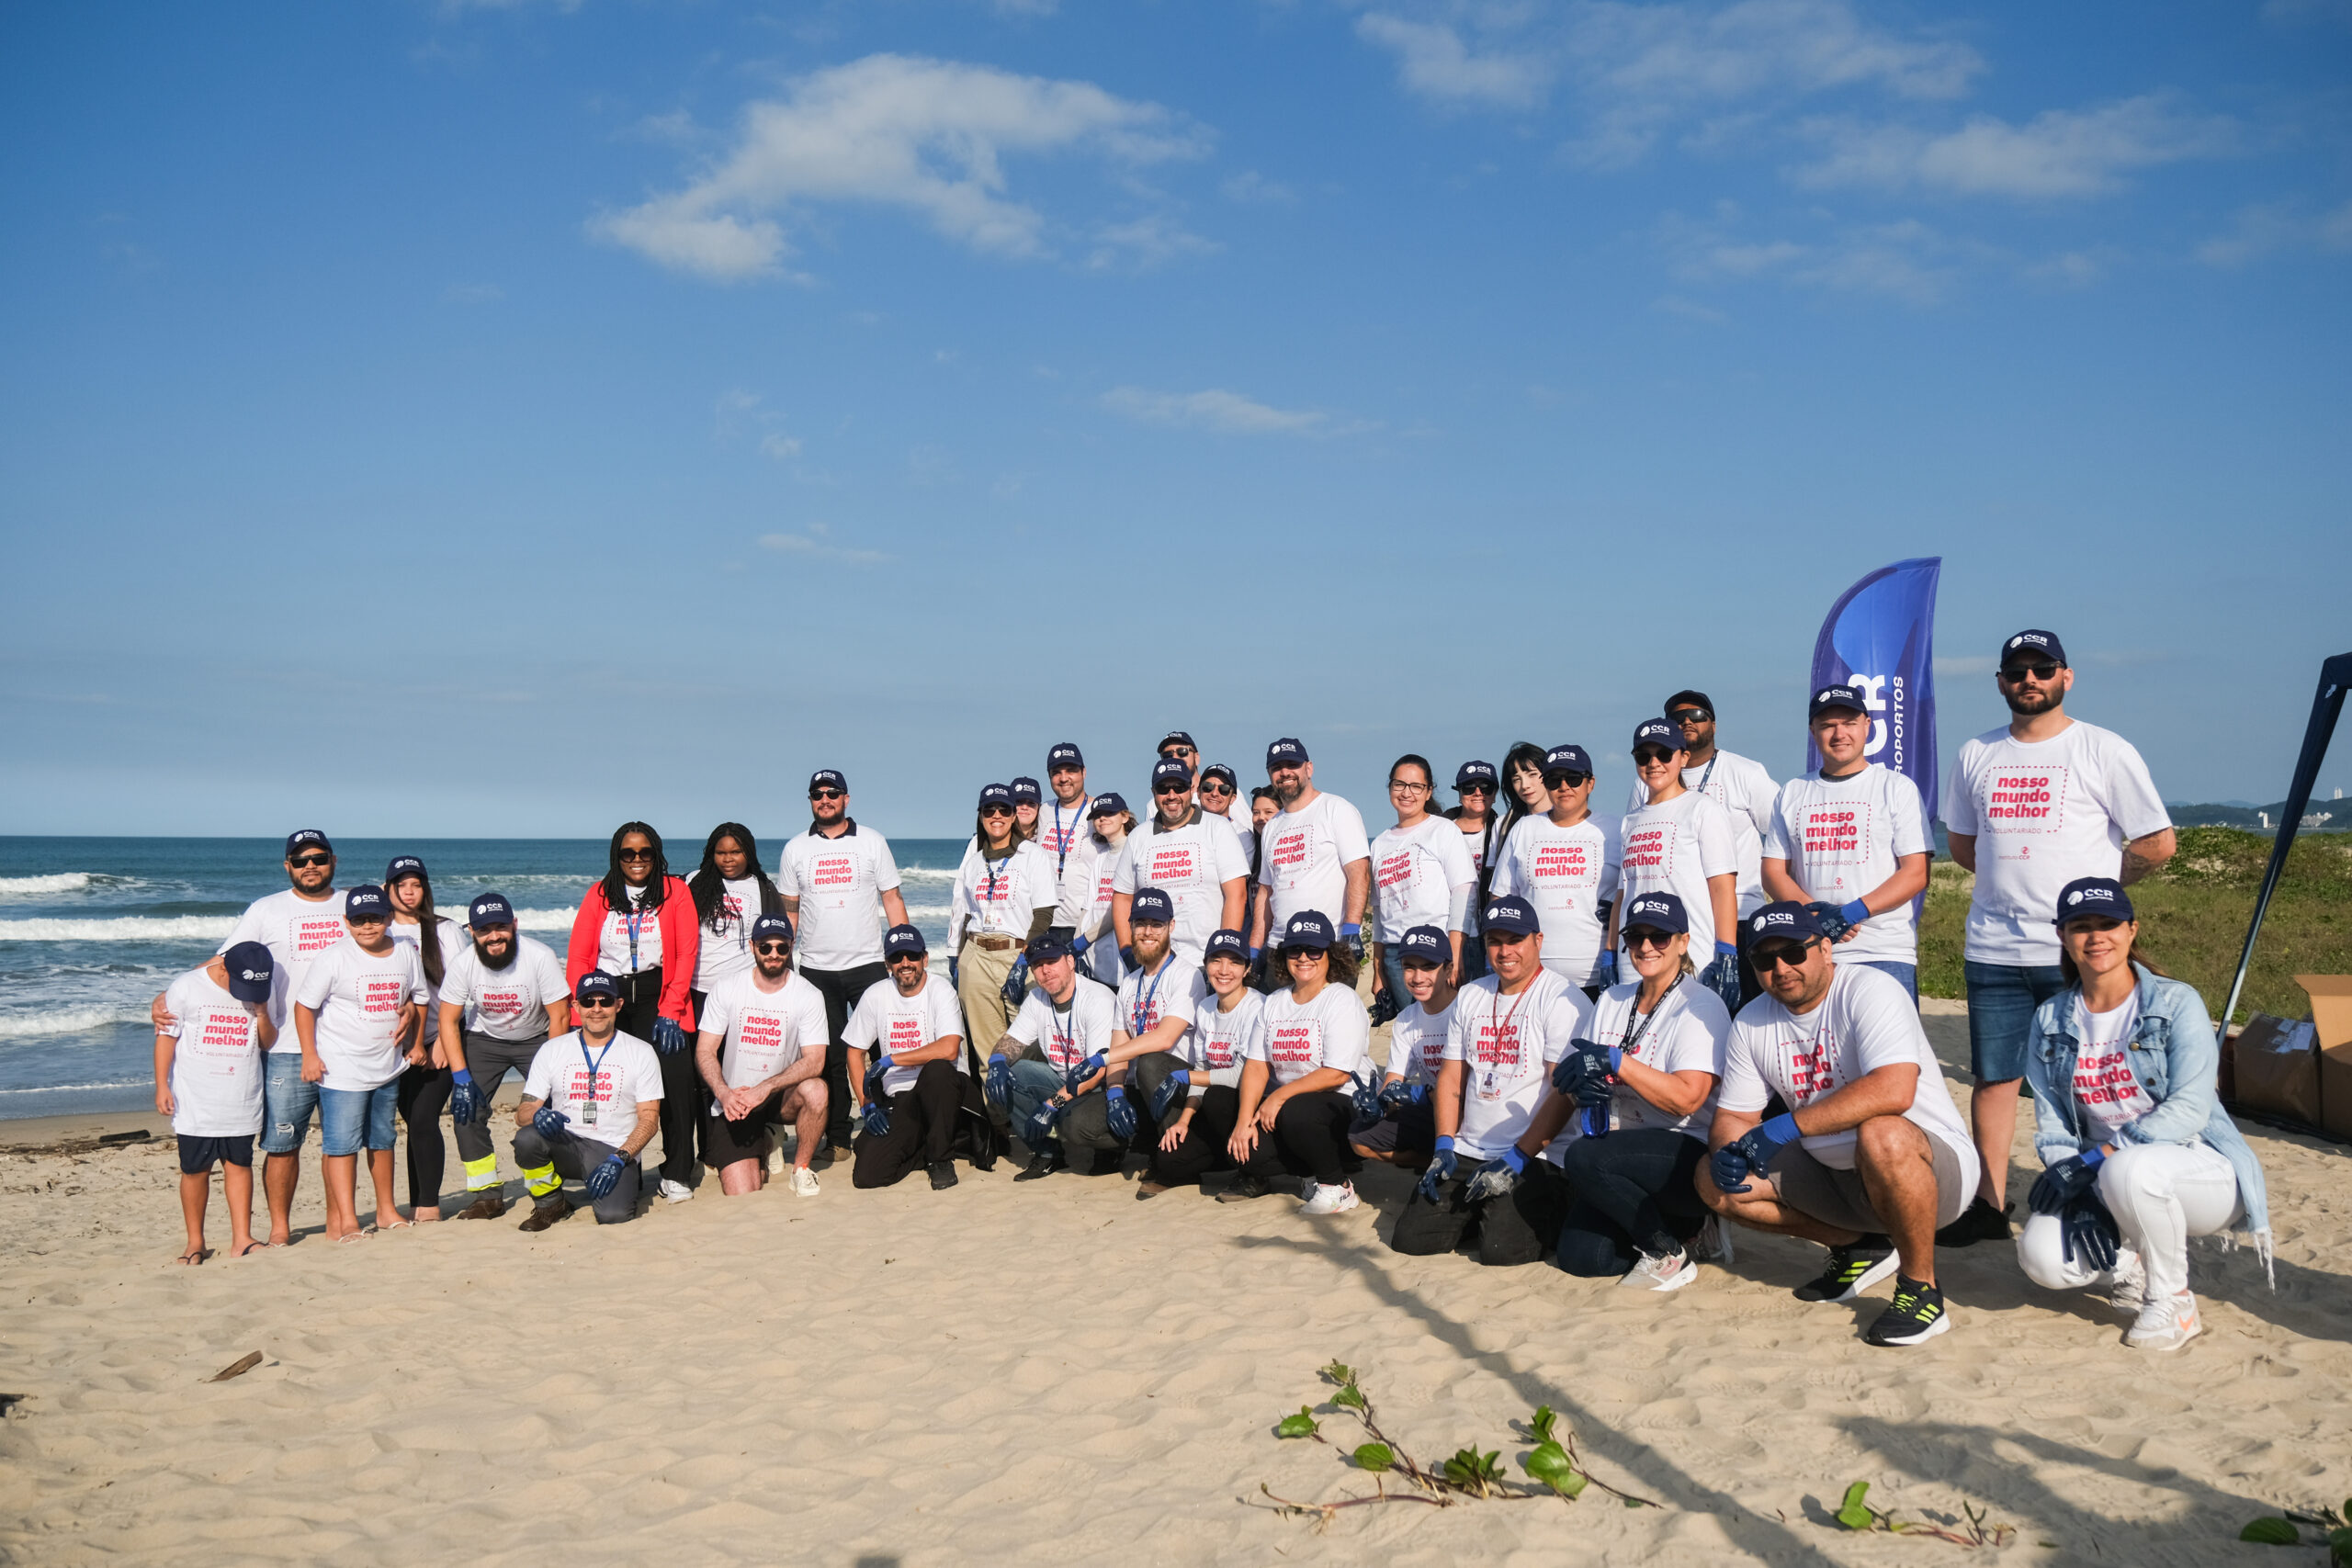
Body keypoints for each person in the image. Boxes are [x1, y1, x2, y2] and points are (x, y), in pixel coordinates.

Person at [1940, 629, 2175, 1247]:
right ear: (2000, 682)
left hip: (2079, 952)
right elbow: (1964, 845)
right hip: (1993, 945)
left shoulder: (2102, 749)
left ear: (2066, 677)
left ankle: (2100, 1194)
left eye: (2043, 668)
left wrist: (2097, 901)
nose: (2030, 679)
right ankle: (1989, 1203)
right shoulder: (1976, 753)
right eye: (2017, 670)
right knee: (1994, 1080)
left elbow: (2157, 842)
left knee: (2093, 1076)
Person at [1697, 903, 1979, 1348]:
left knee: (1881, 1133)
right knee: (1711, 1180)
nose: (1781, 968)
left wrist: (1785, 1127)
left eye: (1794, 952)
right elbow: (1735, 1115)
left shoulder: (1870, 989)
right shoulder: (1752, 1020)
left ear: (1826, 949)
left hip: (1929, 1171)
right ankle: (1858, 1245)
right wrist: (1730, 1149)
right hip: (1834, 1177)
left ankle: (1921, 1287)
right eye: (1764, 960)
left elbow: (1894, 1090)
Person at [2015, 878, 2271, 1351]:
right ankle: (2129, 1264)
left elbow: (2190, 1109)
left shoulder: (2176, 1002)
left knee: (2129, 1167)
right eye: (2081, 927)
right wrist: (2072, 1179)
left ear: (2132, 930)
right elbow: (2052, 1119)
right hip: (2107, 1172)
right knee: (2043, 1260)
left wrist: (2098, 1160)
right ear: (2062, 937)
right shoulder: (2051, 1017)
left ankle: (2173, 1300)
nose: (2096, 937)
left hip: (2198, 1166)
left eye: (2108, 924)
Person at [156, 829, 349, 1247]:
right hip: (284, 1048)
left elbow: (386, 948)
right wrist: (170, 990)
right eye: (300, 860)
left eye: (317, 857)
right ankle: (280, 1228)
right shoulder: (266, 910)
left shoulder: (351, 905)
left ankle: (340, 1223)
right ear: (288, 867)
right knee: (282, 1143)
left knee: (342, 1144)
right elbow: (227, 958)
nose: (310, 866)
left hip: (345, 1043)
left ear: (333, 860)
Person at [1538, 892, 1730, 1290]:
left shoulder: (1700, 1004)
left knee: (1583, 1156)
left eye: (1660, 936)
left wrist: (1619, 1063)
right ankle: (1677, 1229)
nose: (1646, 946)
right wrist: (1582, 1088)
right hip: (1619, 1153)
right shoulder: (1612, 999)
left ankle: (1667, 1251)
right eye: (1636, 936)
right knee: (1582, 1257)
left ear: (1683, 941)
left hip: (1682, 1151)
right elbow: (1586, 1073)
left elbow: (1686, 1099)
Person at [1386, 896, 1590, 1264]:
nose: (1504, 951)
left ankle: (1555, 1205)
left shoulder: (1561, 998)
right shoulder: (1472, 994)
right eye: (1495, 941)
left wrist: (1517, 1157)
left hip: (1534, 1154)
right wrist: (1444, 1145)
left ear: (1538, 941)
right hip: (1470, 1148)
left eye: (1515, 940)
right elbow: (1451, 1077)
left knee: (1501, 1252)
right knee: (1410, 1239)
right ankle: (1482, 1210)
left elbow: (1563, 1094)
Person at [1761, 685, 1931, 999]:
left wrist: (1852, 912)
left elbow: (1916, 873)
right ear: (1813, 731)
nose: (1839, 734)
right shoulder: (1792, 792)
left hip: (1884, 952)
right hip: (1812, 953)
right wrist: (1812, 913)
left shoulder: (1895, 788)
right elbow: (1773, 871)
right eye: (1827, 725)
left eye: (1849, 723)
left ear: (1867, 725)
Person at [778, 769, 910, 1162]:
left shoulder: (871, 841)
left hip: (869, 963)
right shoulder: (795, 849)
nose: (825, 799)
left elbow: (891, 899)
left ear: (846, 799)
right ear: (811, 801)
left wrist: (903, 954)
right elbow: (790, 911)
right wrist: (782, 961)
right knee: (830, 1056)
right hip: (817, 970)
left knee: (880, 1048)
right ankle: (837, 1136)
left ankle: (891, 1121)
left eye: (832, 793)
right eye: (817, 794)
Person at [566, 823, 700, 1203]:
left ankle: (676, 1173)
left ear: (656, 855)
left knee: (675, 1083)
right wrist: (584, 1008)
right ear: (617, 856)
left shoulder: (676, 892)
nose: (637, 860)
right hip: (608, 996)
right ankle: (628, 1171)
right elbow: (578, 956)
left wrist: (671, 1010)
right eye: (628, 853)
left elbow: (687, 953)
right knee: (617, 1087)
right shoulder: (600, 894)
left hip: (660, 995)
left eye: (645, 853)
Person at [294, 885, 426, 1242]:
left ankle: (386, 1211)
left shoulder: (405, 951)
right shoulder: (333, 957)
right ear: (346, 922)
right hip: (341, 1068)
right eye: (358, 920)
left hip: (387, 1065)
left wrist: (415, 1041)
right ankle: (348, 1220)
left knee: (383, 1139)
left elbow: (419, 996)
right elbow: (304, 1007)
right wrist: (310, 1055)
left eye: (375, 918)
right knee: (341, 1145)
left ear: (388, 918)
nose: (367, 926)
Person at [1226, 910, 1374, 1214]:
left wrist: (1278, 1096)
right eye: (1295, 949)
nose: (1304, 957)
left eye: (1314, 950)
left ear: (1330, 954)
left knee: (1297, 1109)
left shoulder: (1341, 999)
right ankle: (1311, 1175)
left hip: (1345, 1107)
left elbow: (1337, 1074)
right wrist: (1243, 1123)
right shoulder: (1275, 1001)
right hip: (1295, 1111)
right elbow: (1256, 1065)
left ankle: (1337, 1187)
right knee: (1242, 1150)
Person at [436, 893, 571, 1219]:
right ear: (472, 931)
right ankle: (487, 1196)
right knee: (466, 1112)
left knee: (543, 1112)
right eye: (485, 930)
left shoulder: (539, 956)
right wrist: (460, 1077)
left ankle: (549, 1196)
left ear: (515, 924)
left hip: (537, 1039)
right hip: (486, 1040)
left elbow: (561, 1017)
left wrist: (550, 1075)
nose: (494, 936)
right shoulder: (464, 963)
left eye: (501, 927)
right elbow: (447, 1019)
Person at [1060, 887, 1200, 1179]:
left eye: (1157, 924)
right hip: (1142, 1091)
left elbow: (1164, 1038)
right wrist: (1114, 1094)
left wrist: (1102, 1059)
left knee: (1150, 1060)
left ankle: (1176, 1158)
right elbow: (1119, 1047)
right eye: (1140, 923)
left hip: (1177, 1088)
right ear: (1131, 927)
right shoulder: (1130, 982)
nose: (1147, 932)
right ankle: (1146, 1143)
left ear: (1171, 927)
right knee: (1075, 1123)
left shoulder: (1187, 974)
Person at [153, 941, 280, 1262]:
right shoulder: (186, 986)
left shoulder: (263, 988)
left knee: (239, 1165)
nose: (246, 991)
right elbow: (166, 1038)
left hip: (241, 1094)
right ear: (224, 967)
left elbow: (267, 1042)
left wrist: (263, 1012)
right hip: (196, 1096)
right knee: (195, 1169)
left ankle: (243, 1238)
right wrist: (161, 1086)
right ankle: (195, 1242)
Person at [512, 971, 663, 1230]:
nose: (596, 1009)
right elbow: (522, 1112)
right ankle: (550, 1203)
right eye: (588, 1002)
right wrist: (536, 1115)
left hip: (613, 1149)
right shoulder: (552, 1049)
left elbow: (650, 1119)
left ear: (618, 1005)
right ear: (576, 1007)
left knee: (613, 1216)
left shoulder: (641, 1051)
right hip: (567, 1144)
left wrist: (622, 1156)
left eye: (605, 1001)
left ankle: (626, 1179)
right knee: (527, 1139)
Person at [1611, 719, 1740, 1010]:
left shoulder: (1703, 809)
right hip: (1636, 956)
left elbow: (1721, 887)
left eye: (1664, 754)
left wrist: (1727, 950)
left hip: (1690, 955)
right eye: (1644, 757)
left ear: (1683, 757)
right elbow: (1623, 893)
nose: (1654, 763)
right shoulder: (1630, 821)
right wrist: (1610, 953)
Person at [696, 915, 831, 1197]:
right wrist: (723, 1094)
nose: (773, 954)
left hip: (779, 1096)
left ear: (791, 946)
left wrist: (766, 1087)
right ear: (752, 946)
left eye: (781, 947)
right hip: (737, 1100)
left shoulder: (808, 995)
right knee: (742, 1191)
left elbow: (816, 1061)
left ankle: (801, 1170)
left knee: (817, 1090)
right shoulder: (727, 988)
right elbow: (705, 1050)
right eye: (765, 947)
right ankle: (768, 1141)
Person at [1626, 690, 1779, 928]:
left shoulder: (1746, 773)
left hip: (1740, 914)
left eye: (1696, 715)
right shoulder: (1646, 781)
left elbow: (1784, 837)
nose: (1686, 721)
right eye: (1677, 719)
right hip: (1670, 918)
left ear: (1714, 725)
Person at [843, 924, 977, 1190]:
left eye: (912, 956)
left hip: (944, 1093)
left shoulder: (941, 991)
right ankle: (925, 1146)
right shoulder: (875, 995)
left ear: (924, 959)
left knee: (937, 1069)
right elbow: (854, 1051)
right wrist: (867, 1104)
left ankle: (941, 1160)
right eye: (896, 957)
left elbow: (949, 1048)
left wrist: (891, 1059)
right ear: (887, 964)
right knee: (867, 1175)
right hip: (902, 1099)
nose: (905, 963)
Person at [1136, 928, 1263, 1198]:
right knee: (1170, 1160)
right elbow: (1203, 1069)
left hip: (1253, 1106)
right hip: (1218, 1109)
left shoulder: (1257, 1007)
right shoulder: (1205, 1007)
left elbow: (1242, 1076)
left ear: (1247, 968)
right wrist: (1183, 1121)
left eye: (1234, 961)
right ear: (1206, 965)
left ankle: (1254, 1175)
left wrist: (1185, 1078)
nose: (1224, 969)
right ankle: (1224, 1158)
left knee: (1218, 1096)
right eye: (1216, 960)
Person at [1488, 744, 1622, 998]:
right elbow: (1500, 899)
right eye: (1553, 780)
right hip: (1532, 977)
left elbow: (1632, 890)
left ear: (1590, 783)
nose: (1563, 787)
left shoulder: (1614, 829)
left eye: (1573, 779)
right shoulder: (1524, 829)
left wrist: (1615, 945)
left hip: (1597, 976)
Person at [995, 931, 1120, 1181]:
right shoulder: (1037, 998)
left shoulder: (1097, 998)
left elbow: (1097, 1073)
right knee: (1007, 1076)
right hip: (1061, 1078)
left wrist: (1051, 1105)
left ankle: (1113, 1148)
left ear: (1070, 962)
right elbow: (1011, 1043)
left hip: (1100, 1089)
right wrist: (996, 1063)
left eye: (1052, 962)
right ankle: (1048, 1154)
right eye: (1038, 965)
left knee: (1074, 1124)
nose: (1045, 971)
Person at [1250, 739, 1372, 992]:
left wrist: (1351, 930)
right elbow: (1266, 891)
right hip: (1280, 948)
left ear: (1309, 768)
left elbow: (1358, 873)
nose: (1285, 773)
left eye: (1292, 765)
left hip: (1329, 945)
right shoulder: (1273, 825)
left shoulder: (1336, 809)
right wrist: (1254, 948)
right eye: (1277, 767)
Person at [952, 783, 1061, 1063]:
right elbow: (967, 915)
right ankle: (995, 1108)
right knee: (987, 1052)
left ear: (1014, 816)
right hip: (976, 956)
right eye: (990, 810)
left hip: (1017, 954)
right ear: (981, 816)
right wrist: (960, 958)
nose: (996, 815)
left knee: (1026, 1046)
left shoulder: (1033, 856)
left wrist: (1025, 959)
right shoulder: (974, 862)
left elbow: (1043, 914)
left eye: (1004, 809)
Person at [384, 856, 467, 1224]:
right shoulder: (376, 928)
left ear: (425, 889)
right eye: (401, 885)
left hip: (438, 1039)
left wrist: (442, 1041)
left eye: (416, 885)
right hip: (391, 1049)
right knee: (410, 1121)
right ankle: (417, 1201)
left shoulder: (446, 930)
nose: (409, 892)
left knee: (422, 1119)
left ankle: (429, 1205)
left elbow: (463, 987)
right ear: (388, 889)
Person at [1113, 758, 1250, 968]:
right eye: (1163, 788)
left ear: (1191, 790)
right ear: (1153, 792)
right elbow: (1122, 897)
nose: (1171, 796)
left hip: (1205, 961)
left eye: (1179, 787)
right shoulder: (1139, 836)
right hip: (1154, 964)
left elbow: (1237, 894)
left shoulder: (1218, 828)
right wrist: (1127, 951)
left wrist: (1223, 953)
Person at [1367, 754, 1477, 1011]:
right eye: (1399, 785)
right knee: (1412, 1030)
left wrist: (1455, 954)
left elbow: (1464, 892)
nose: (1407, 793)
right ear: (1390, 788)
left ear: (1428, 792)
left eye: (1416, 786)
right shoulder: (1380, 843)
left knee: (1448, 1029)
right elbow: (1379, 913)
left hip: (1439, 947)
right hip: (1397, 954)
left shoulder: (1443, 830)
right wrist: (1378, 970)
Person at [1349, 924, 1453, 1171]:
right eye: (1409, 967)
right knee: (1359, 1137)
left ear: (1448, 969)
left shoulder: (1468, 1007)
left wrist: (1418, 1095)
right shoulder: (1407, 1018)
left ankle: (1460, 1164)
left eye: (1429, 967)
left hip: (1472, 1111)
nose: (1418, 978)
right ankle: (1432, 1164)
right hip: (1434, 1110)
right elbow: (1393, 1084)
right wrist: (1380, 1106)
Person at [686, 823, 786, 1021]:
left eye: (736, 852)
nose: (727, 859)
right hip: (696, 990)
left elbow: (780, 938)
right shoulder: (693, 882)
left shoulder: (763, 888)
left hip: (743, 990)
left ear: (748, 853)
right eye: (720, 852)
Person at [1055, 793, 1133, 989]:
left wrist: (1085, 939)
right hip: (1094, 956)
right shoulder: (1102, 856)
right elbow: (1088, 905)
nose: (1102, 818)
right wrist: (1076, 943)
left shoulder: (1134, 852)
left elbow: (1120, 910)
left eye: (1109, 813)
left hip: (1120, 957)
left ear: (1125, 817)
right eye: (1097, 815)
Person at [1445, 760, 1504, 982]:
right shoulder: (1440, 830)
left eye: (1485, 787)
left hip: (1485, 933)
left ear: (1495, 793)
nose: (1478, 793)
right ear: (1459, 794)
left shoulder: (1504, 831)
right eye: (1469, 788)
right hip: (1446, 930)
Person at [1040, 741, 1094, 929]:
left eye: (1070, 770)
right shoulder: (1043, 811)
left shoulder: (1101, 812)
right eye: (1056, 772)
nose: (1064, 778)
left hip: (1085, 924)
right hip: (1046, 923)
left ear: (1083, 772)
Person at [1199, 762, 1254, 865]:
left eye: (1224, 789)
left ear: (1232, 799)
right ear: (1198, 793)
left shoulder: (1243, 836)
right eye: (1208, 787)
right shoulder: (1183, 828)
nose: (1214, 793)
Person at [1010, 776, 1044, 841]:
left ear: (1038, 807)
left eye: (1031, 803)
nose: (1024, 807)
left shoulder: (1045, 838)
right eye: (1019, 802)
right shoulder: (995, 837)